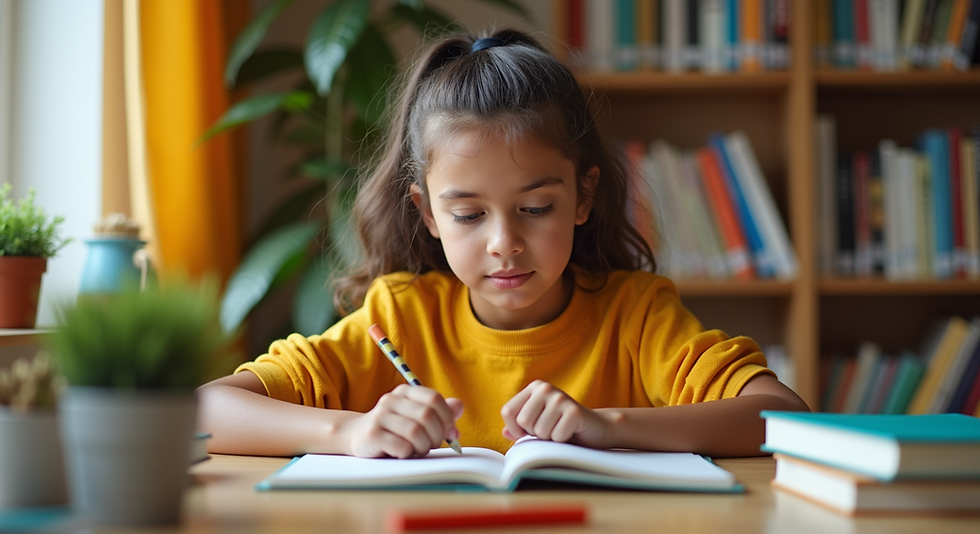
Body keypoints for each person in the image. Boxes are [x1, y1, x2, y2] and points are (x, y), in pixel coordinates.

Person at [197, 29, 809, 460]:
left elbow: (786, 419)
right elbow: (203, 411)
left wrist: (608, 425)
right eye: (467, 215)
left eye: (536, 208)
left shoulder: (636, 316)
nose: (504, 243)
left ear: (584, 198)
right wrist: (350, 434)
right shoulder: (398, 316)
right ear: (427, 214)